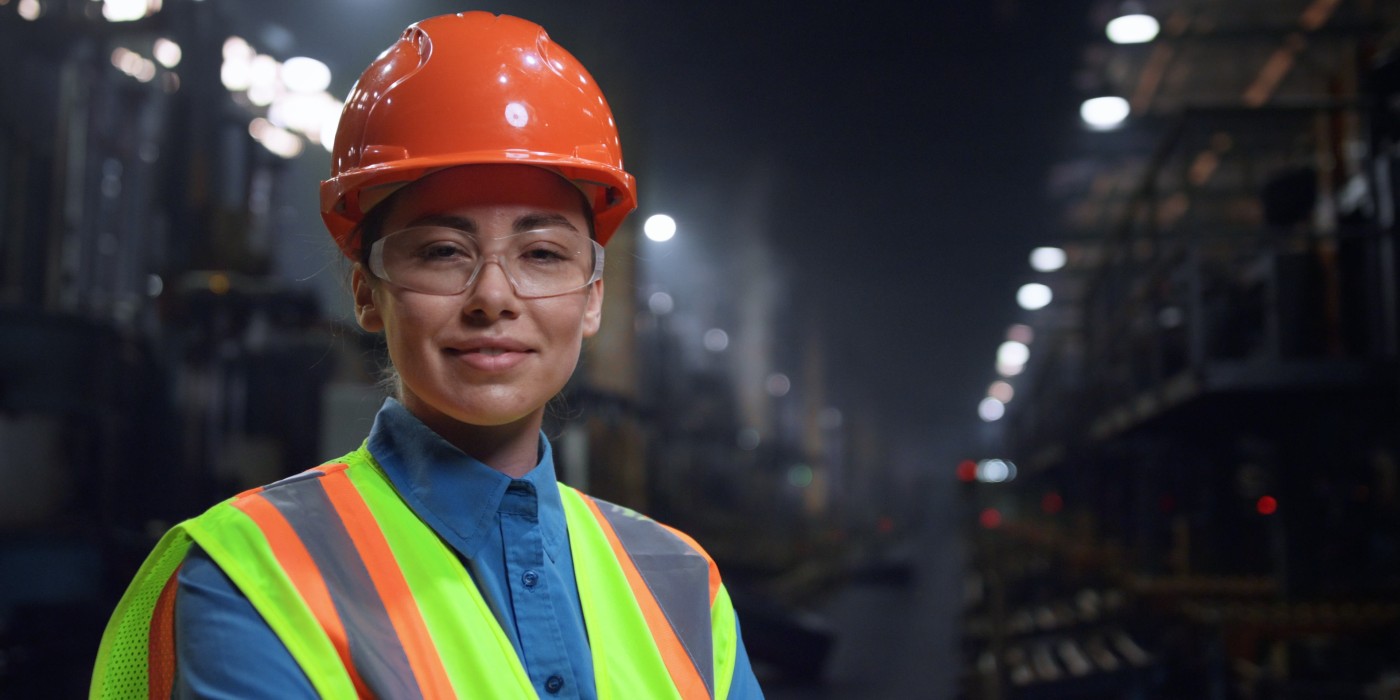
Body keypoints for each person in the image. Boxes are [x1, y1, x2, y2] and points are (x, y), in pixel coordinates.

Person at [90, 12, 764, 699]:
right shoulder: (251, 579)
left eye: (541, 254)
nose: (493, 296)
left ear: (591, 299)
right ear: (367, 293)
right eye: (443, 251)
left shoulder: (683, 586)